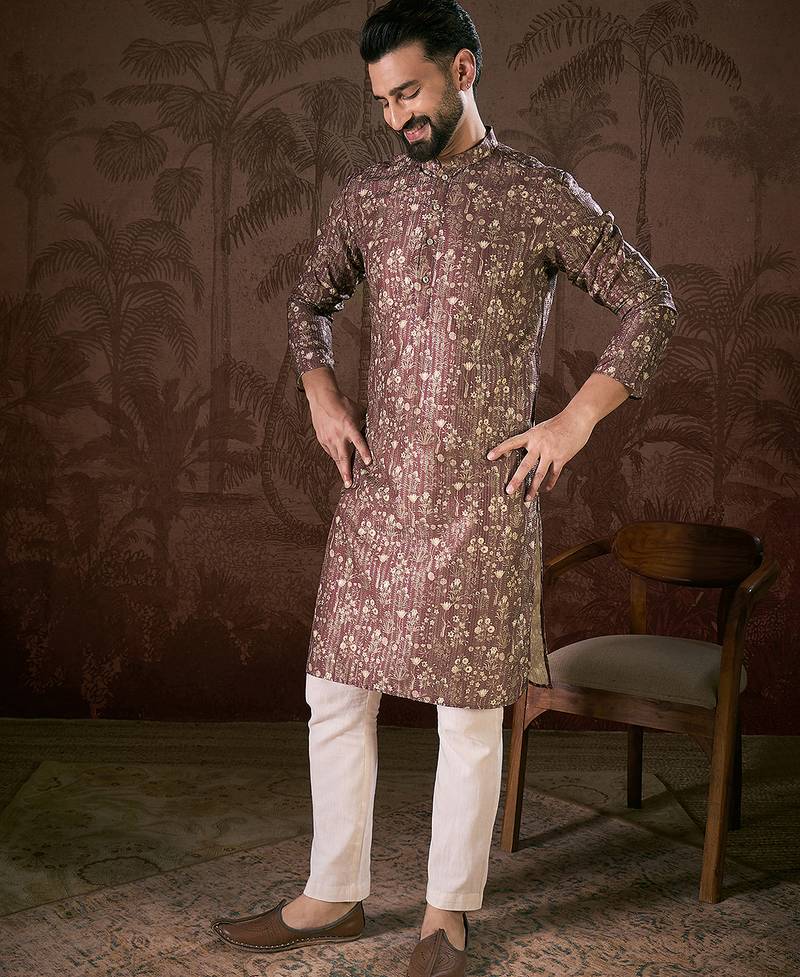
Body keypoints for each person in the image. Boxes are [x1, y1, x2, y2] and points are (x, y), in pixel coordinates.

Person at [212, 1, 677, 973]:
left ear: (463, 69)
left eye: (410, 93)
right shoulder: (371, 197)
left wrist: (573, 420)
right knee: (334, 690)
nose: (397, 117)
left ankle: (445, 914)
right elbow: (307, 302)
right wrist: (322, 396)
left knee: (466, 714)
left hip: (481, 494)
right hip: (379, 491)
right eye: (383, 102)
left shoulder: (536, 193)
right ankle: (332, 892)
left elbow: (649, 301)